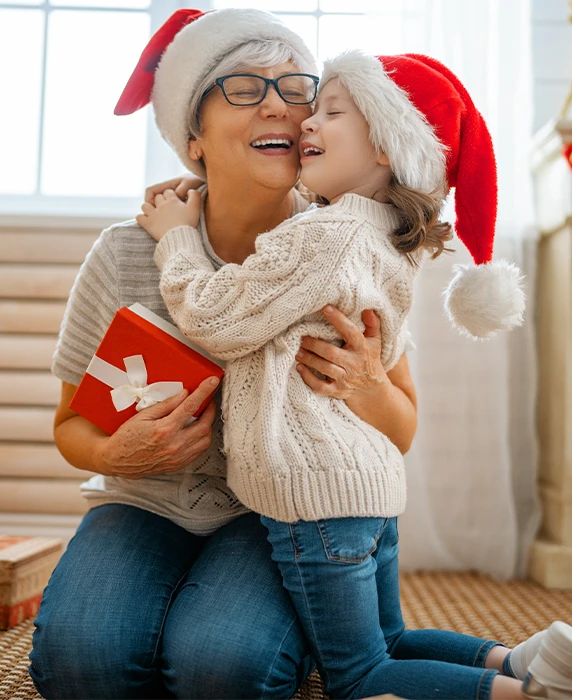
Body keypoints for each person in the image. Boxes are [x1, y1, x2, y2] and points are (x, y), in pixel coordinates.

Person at [29, 9, 555, 700]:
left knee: (225, 672)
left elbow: (401, 428)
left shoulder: (335, 243)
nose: (280, 105)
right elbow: (71, 425)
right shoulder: (125, 251)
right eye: (244, 88)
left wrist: (367, 385)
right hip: (147, 503)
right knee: (81, 666)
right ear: (193, 137)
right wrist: (115, 454)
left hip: (283, 509)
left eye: (296, 88)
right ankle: (513, 667)